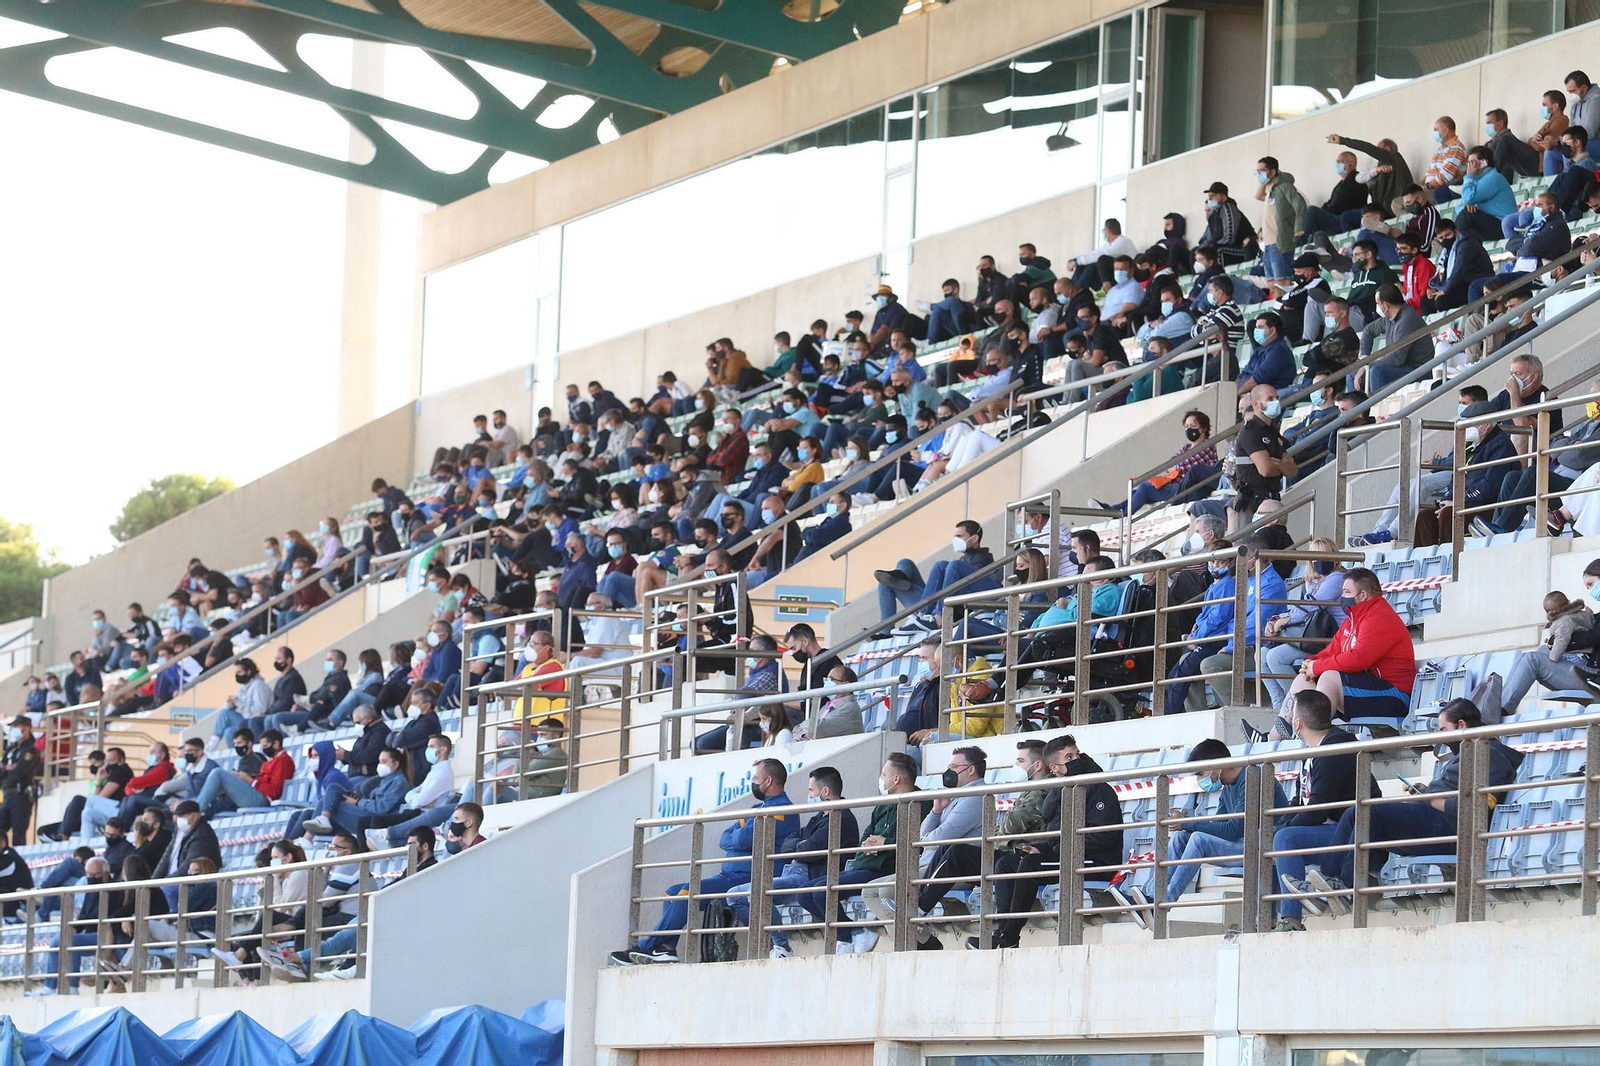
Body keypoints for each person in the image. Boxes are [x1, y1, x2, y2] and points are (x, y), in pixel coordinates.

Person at [610, 758, 796, 965]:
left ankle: (646, 947)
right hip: (729, 877)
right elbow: (725, 838)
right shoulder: (756, 808)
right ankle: (665, 949)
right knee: (672, 892)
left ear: (768, 781)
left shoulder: (782, 811)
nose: (753, 782)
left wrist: (741, 836)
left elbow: (743, 838)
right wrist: (741, 837)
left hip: (748, 879)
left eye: (756, 778)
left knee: (687, 893)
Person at [1269, 690, 1377, 930]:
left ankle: (1291, 919)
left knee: (1285, 838)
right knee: (1264, 840)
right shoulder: (1311, 750)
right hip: (1330, 829)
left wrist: (1281, 830)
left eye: (1290, 713)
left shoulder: (1335, 749)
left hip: (1351, 832)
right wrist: (1273, 828)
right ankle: (1265, 921)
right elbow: (1300, 802)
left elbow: (1317, 810)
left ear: (1297, 724)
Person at [725, 764, 860, 959]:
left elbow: (810, 850)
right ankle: (778, 945)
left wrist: (800, 847)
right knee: (735, 896)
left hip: (809, 878)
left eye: (810, 790)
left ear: (825, 791)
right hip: (795, 874)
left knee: (747, 894)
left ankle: (781, 947)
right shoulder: (819, 817)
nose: (809, 795)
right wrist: (800, 846)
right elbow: (789, 843)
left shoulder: (842, 817)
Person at [1283, 567, 1415, 725]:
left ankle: (1318, 738)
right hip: (1370, 687)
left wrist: (1318, 667)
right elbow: (1333, 650)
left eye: (1346, 592)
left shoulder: (1380, 618)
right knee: (1304, 679)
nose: (1342, 597)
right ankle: (1275, 737)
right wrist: (1310, 663)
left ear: (1362, 595)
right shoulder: (1352, 619)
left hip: (1394, 695)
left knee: (1329, 676)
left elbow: (1358, 658)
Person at [873, 520, 998, 631]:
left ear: (975, 538)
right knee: (904, 564)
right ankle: (901, 576)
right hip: (933, 600)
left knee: (946, 565)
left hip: (945, 606)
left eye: (959, 536)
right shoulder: (966, 559)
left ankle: (930, 615)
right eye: (954, 536)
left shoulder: (982, 560)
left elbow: (965, 591)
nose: (955, 540)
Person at [1498, 580, 1599, 710]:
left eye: (1591, 584)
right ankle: (1499, 702)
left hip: (1590, 674)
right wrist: (1552, 644)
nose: (1590, 590)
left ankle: (1503, 709)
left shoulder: (1565, 621)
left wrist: (1553, 652)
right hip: (1582, 662)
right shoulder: (1577, 615)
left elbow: (1584, 637)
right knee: (1528, 655)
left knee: (1532, 660)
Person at [365, 733, 459, 849]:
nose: (427, 750)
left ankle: (387, 835)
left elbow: (418, 801)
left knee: (377, 821)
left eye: (431, 747)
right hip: (421, 810)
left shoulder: (443, 772)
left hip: (425, 813)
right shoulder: (435, 770)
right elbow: (410, 795)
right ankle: (389, 842)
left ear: (443, 750)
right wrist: (417, 797)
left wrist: (418, 797)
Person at [1228, 385, 1295, 533]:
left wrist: (1275, 465)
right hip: (1251, 502)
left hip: (1272, 500)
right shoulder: (1249, 432)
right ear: (1256, 404)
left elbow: (1293, 470)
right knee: (1248, 550)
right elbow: (1265, 470)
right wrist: (1278, 464)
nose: (1276, 401)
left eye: (1277, 398)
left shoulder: (1274, 434)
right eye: (1270, 399)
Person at [196, 728, 294, 814]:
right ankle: (199, 807)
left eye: (265, 746)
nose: (264, 749)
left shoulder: (283, 760)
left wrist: (250, 780)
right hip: (258, 793)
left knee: (218, 773)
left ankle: (196, 811)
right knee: (220, 779)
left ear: (276, 743)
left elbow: (274, 791)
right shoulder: (275, 760)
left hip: (262, 799)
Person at [1359, 283, 1431, 394]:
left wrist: (1368, 365)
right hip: (1403, 366)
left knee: (1376, 371)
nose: (1377, 307)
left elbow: (1397, 358)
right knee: (1353, 374)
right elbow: (1369, 330)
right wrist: (1364, 360)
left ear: (1386, 305)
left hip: (1417, 369)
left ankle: (1377, 409)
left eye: (1378, 304)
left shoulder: (1407, 320)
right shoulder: (1389, 318)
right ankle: (1355, 409)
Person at [1253, 156, 1305, 280]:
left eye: (1262, 170)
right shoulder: (1271, 190)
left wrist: (1299, 226)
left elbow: (1300, 204)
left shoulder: (1284, 187)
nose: (1259, 174)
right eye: (1258, 171)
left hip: (1279, 243)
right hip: (1268, 244)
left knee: (1283, 281)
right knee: (1272, 284)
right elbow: (1258, 195)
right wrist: (1264, 182)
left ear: (1272, 171)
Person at [152, 799, 222, 879]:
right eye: (177, 817)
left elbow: (187, 867)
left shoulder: (202, 836)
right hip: (172, 881)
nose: (178, 820)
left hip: (188, 883)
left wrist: (165, 883)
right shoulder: (180, 830)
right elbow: (166, 857)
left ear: (195, 816)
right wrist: (153, 882)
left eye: (182, 816)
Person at [0, 715, 40, 844]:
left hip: (21, 794)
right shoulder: (11, 749)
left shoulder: (31, 751)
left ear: (26, 729)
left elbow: (19, 772)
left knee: (19, 831)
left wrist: (5, 770)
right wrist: (7, 768)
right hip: (7, 794)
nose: (15, 730)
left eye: (17, 727)